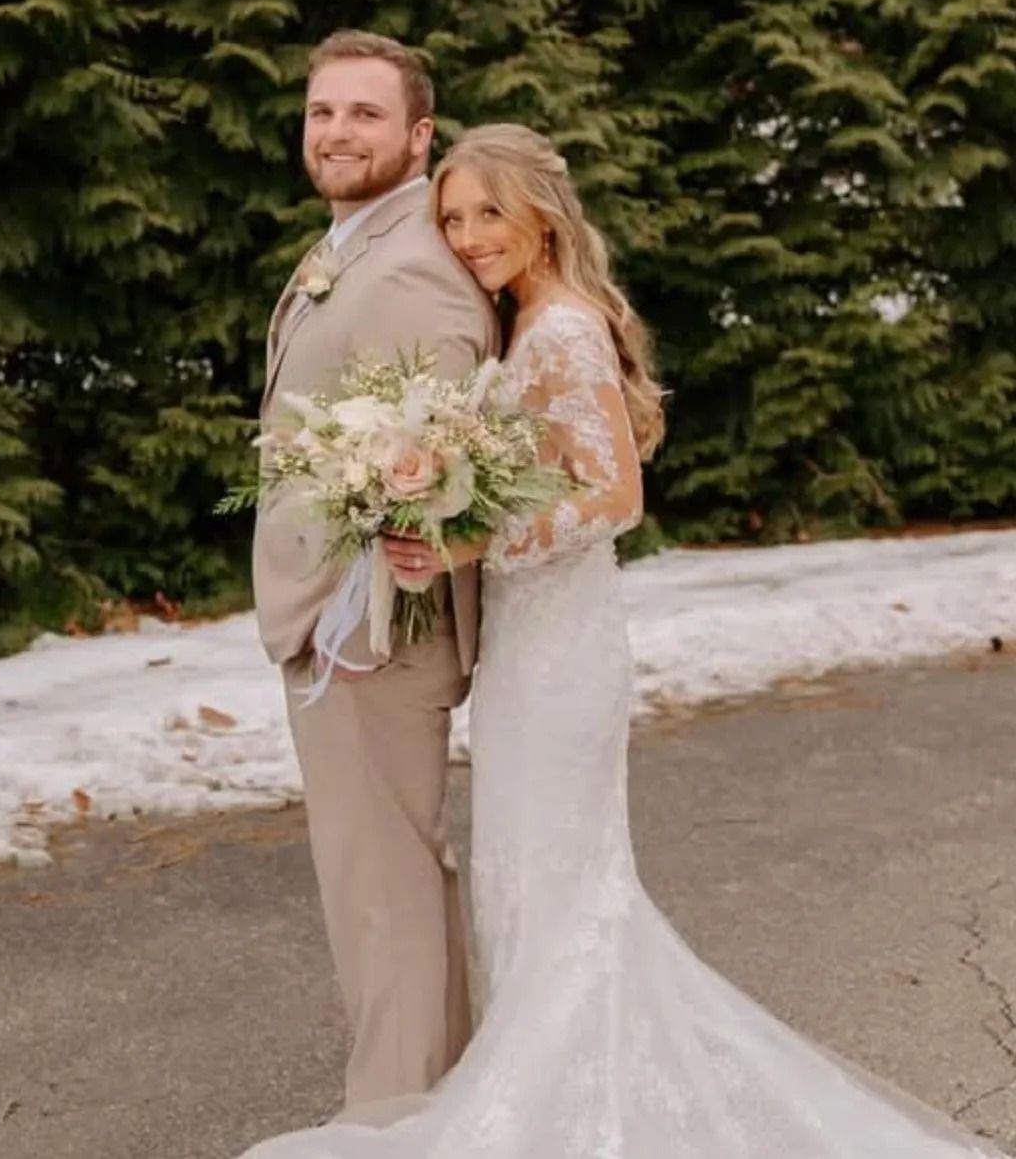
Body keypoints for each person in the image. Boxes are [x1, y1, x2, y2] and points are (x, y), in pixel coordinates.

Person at [240, 125, 1007, 1157]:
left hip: (563, 652)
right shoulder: (529, 322)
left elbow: (615, 495)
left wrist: (470, 540)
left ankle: (564, 1107)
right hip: (529, 646)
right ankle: (543, 1086)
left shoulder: (560, 329)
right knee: (525, 873)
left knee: (563, 881)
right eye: (453, 218)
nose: (468, 237)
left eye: (487, 215)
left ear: (542, 216)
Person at [252, 32, 498, 1113]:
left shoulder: (413, 268)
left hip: (375, 627)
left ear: (418, 134)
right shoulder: (352, 243)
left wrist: (379, 586)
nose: (338, 132)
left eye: (363, 113)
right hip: (335, 619)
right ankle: (430, 1102)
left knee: (382, 885)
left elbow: (454, 448)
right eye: (322, 113)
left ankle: (396, 1118)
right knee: (385, 876)